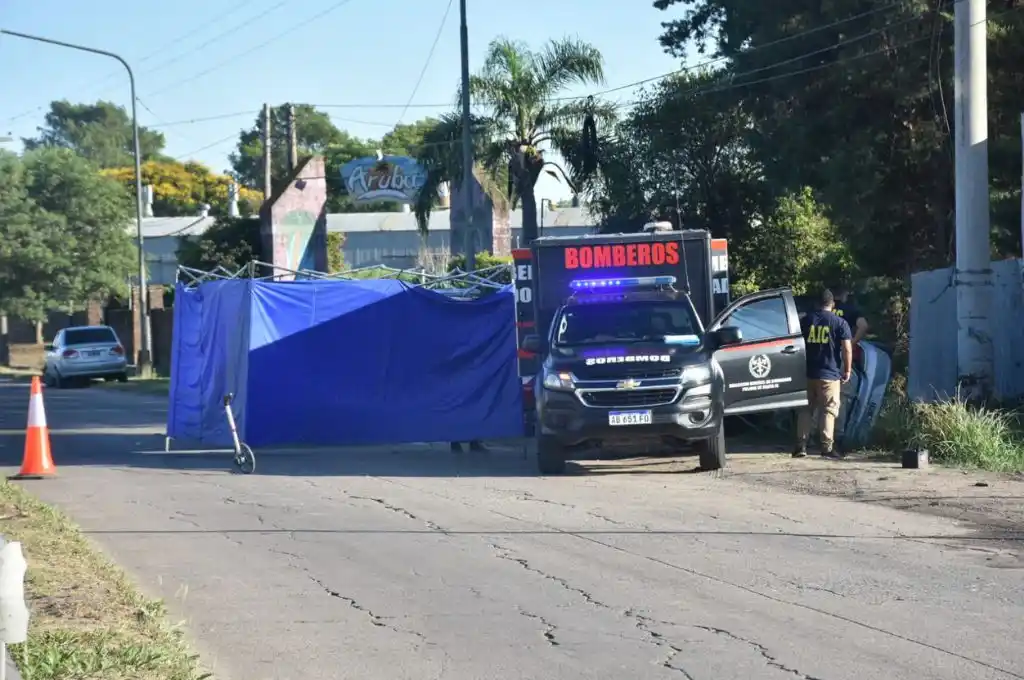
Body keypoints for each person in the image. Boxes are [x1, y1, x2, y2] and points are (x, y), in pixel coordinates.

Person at [794, 288, 853, 459]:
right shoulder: (840, 323)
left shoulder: (806, 321)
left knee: (805, 410)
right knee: (828, 410)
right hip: (830, 374)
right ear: (832, 304)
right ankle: (826, 447)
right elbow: (847, 349)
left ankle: (801, 446)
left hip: (808, 373)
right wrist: (847, 370)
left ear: (817, 304)